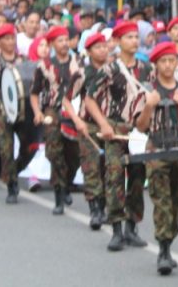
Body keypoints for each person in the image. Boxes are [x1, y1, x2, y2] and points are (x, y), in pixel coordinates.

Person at [84, 20, 152, 251]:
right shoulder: (110, 69)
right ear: (118, 41)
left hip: (139, 131)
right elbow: (89, 99)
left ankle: (132, 226)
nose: (134, 40)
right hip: (115, 130)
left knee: (137, 177)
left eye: (136, 36)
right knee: (114, 177)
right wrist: (103, 124)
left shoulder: (146, 68)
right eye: (129, 37)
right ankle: (116, 228)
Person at [134, 41, 178, 275]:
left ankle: (169, 239)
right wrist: (149, 106)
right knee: (162, 201)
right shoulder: (148, 91)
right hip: (157, 150)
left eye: (172, 60)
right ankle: (164, 249)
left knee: (176, 201)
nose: (168, 65)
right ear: (156, 65)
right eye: (163, 61)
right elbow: (140, 125)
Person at [0, 24, 39, 204]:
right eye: (6, 39)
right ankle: (11, 185)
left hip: (24, 109)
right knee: (5, 149)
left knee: (31, 147)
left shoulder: (25, 60)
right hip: (2, 110)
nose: (10, 42)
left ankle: (13, 171)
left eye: (12, 38)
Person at [31, 25, 82, 215]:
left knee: (74, 153)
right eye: (59, 40)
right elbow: (34, 93)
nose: (64, 44)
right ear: (52, 44)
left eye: (66, 40)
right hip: (53, 111)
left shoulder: (79, 62)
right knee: (54, 152)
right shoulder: (44, 66)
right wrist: (37, 112)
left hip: (75, 111)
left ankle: (68, 182)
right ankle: (59, 196)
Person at [69, 32, 109, 230]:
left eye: (104, 46)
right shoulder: (82, 74)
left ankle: (105, 206)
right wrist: (77, 120)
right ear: (89, 51)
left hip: (111, 126)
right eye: (98, 47)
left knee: (108, 169)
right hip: (89, 125)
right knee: (91, 167)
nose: (102, 50)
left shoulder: (114, 71)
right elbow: (66, 98)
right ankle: (95, 210)